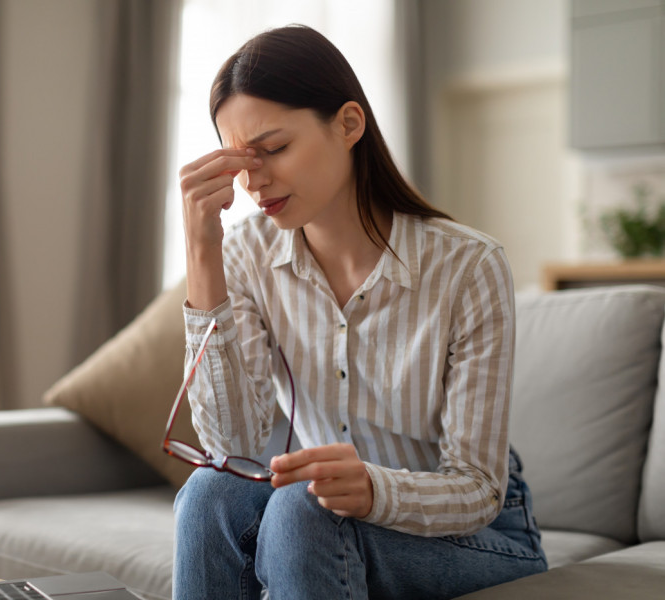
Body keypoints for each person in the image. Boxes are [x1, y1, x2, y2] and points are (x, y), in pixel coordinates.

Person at [171, 24, 547, 600]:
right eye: (239, 162)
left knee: (302, 511)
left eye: (274, 149)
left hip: (476, 534)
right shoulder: (246, 254)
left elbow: (477, 489)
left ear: (348, 124)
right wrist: (201, 250)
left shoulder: (468, 266)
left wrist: (373, 489)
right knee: (207, 494)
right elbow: (231, 444)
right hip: (321, 516)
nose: (253, 181)